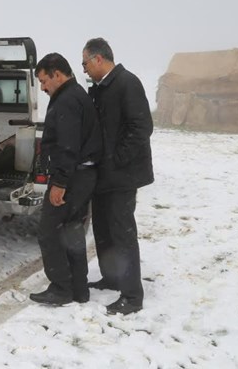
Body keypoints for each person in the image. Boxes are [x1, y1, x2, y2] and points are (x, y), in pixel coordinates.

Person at [81, 38, 154, 315]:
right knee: (102, 228)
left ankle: (132, 296)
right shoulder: (101, 89)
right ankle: (111, 276)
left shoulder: (127, 83)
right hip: (103, 173)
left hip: (123, 175)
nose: (85, 69)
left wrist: (117, 159)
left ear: (99, 59)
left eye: (85, 63)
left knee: (122, 232)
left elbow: (141, 127)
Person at [28, 53, 101, 306]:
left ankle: (61, 288)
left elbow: (68, 147)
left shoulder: (67, 101)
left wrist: (59, 183)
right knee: (71, 230)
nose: (43, 87)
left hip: (71, 177)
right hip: (82, 176)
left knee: (49, 233)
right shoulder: (74, 95)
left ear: (57, 74)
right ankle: (78, 288)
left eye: (43, 80)